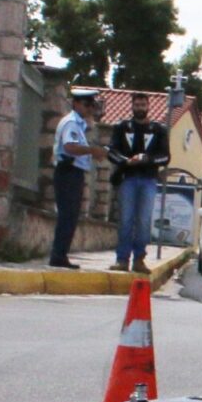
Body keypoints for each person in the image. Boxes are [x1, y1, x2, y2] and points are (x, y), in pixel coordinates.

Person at [107, 93, 171, 273]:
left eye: (143, 104)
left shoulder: (158, 130)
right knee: (126, 219)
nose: (140, 108)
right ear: (132, 106)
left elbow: (165, 157)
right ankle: (122, 259)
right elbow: (112, 152)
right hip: (128, 179)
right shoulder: (121, 127)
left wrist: (147, 159)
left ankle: (139, 259)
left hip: (148, 180)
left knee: (143, 221)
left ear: (148, 106)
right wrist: (126, 161)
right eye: (137, 104)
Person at [48, 90, 109, 269]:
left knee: (71, 215)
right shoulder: (72, 123)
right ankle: (58, 255)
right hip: (68, 171)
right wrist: (92, 151)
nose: (90, 108)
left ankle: (60, 254)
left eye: (91, 105)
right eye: (86, 104)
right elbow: (70, 147)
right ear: (76, 104)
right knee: (67, 215)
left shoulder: (79, 124)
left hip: (73, 172)